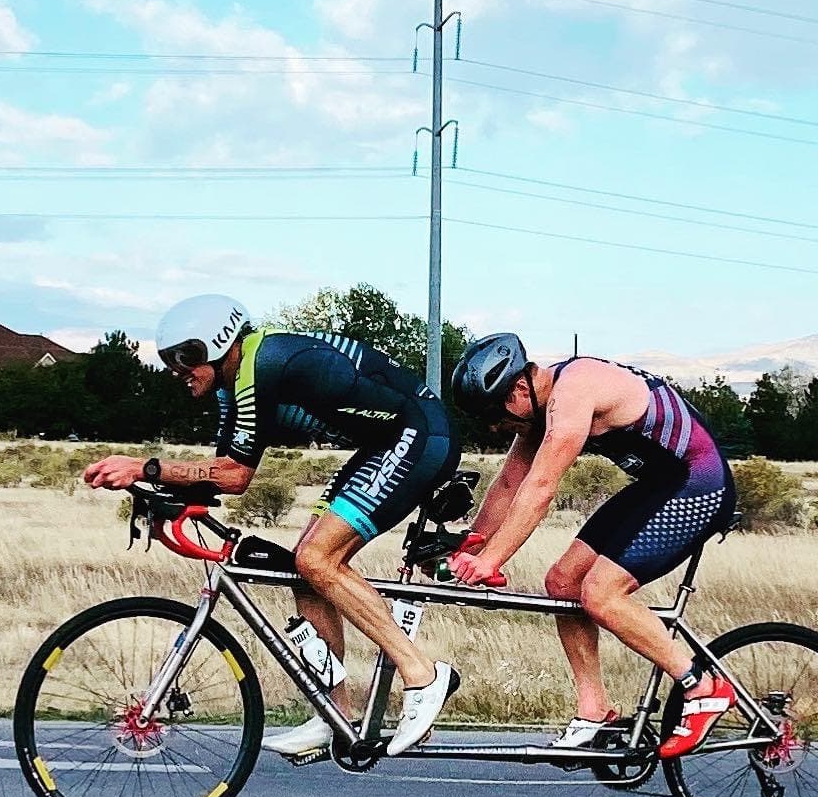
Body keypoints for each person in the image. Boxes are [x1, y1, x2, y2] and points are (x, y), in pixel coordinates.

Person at [84, 294, 461, 758]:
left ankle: (423, 675)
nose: (177, 370)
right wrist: (158, 497)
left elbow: (234, 476)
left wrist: (146, 467)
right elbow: (221, 472)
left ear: (220, 342)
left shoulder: (267, 365)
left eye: (186, 356)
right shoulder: (234, 385)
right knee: (303, 570)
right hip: (384, 442)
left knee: (317, 558)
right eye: (169, 360)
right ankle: (334, 714)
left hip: (419, 434)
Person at [447, 334, 737, 759]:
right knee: (562, 582)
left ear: (519, 389)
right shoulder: (538, 410)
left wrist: (493, 559)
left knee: (601, 593)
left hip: (699, 484)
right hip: (659, 487)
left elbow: (542, 486)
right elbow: (509, 484)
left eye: (497, 418)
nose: (497, 429)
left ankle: (703, 686)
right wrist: (471, 546)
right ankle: (594, 708)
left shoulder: (574, 389)